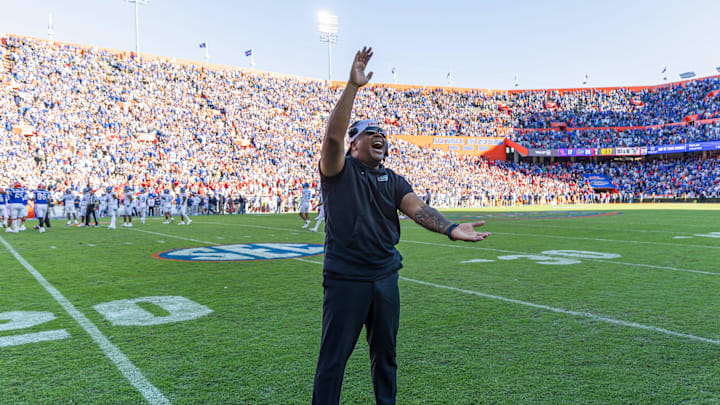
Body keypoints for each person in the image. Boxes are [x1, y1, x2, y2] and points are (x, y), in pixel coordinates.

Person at [312, 47, 490, 405]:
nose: (379, 137)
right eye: (369, 133)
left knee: (386, 358)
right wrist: (352, 86)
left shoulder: (393, 179)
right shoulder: (340, 172)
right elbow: (332, 137)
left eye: (382, 134)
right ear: (353, 144)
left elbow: (417, 208)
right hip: (347, 278)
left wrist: (450, 228)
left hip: (384, 276)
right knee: (333, 362)